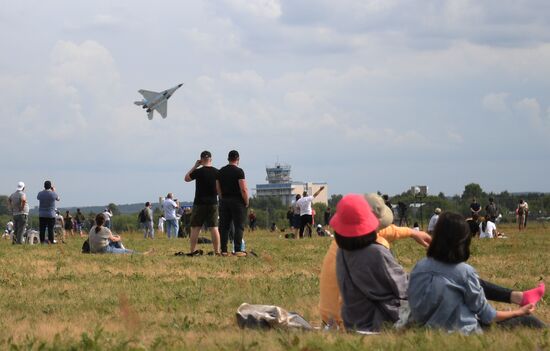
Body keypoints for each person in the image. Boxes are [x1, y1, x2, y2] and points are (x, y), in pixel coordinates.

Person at [408, 212, 545, 334]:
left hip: (426, 330)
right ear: (463, 241)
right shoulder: (464, 272)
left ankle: (520, 297)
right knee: (528, 321)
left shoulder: (418, 267)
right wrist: (518, 312)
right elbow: (488, 316)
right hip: (462, 331)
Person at [318, 193, 432, 330]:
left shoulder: (342, 249)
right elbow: (402, 288)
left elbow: (388, 231)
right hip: (371, 321)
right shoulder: (377, 250)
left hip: (342, 318)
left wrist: (412, 233)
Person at [331, 194, 408, 332]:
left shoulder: (341, 253)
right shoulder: (377, 253)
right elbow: (403, 289)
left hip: (352, 322)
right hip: (380, 322)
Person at [185, 150, 221, 256]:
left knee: (196, 227)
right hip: (213, 202)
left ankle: (192, 251)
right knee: (214, 227)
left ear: (201, 160)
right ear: (211, 159)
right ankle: (217, 251)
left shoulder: (199, 171)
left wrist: (195, 166)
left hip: (199, 202)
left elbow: (186, 178)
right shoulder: (217, 172)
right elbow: (220, 188)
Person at [216, 150, 249, 257]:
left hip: (224, 201)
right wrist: (246, 201)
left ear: (228, 159)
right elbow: (243, 189)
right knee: (238, 226)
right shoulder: (239, 171)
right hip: (237, 201)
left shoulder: (220, 171)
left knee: (224, 226)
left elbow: (218, 187)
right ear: (238, 159)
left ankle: (224, 250)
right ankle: (238, 249)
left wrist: (222, 198)